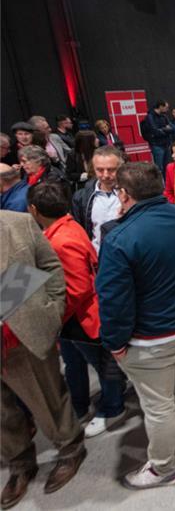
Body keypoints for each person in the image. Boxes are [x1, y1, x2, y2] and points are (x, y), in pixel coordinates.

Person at [96, 162, 175, 489]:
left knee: (159, 404)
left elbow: (113, 300)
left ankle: (164, 468)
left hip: (152, 338)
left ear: (123, 194)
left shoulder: (119, 238)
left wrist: (115, 342)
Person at [0, 210, 86, 509]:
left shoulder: (18, 222)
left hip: (22, 335)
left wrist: (52, 309)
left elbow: (49, 265)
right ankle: (20, 462)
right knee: (2, 413)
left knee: (47, 398)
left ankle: (70, 448)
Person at [28, 181, 127, 439]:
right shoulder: (65, 227)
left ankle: (113, 407)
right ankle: (81, 405)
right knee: (75, 364)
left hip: (82, 317)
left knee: (104, 366)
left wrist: (53, 313)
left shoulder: (61, 240)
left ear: (34, 210)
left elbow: (79, 288)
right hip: (73, 319)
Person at [70, 146, 124, 252]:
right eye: (99, 170)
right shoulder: (81, 198)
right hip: (98, 258)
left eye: (111, 170)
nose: (105, 175)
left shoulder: (132, 193)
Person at [144, 100, 175, 173]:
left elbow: (173, 128)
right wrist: (166, 129)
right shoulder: (150, 116)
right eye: (166, 107)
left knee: (168, 167)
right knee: (159, 168)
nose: (167, 109)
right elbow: (155, 131)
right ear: (161, 106)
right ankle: (161, 184)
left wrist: (163, 129)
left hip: (166, 144)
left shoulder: (164, 116)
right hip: (157, 145)